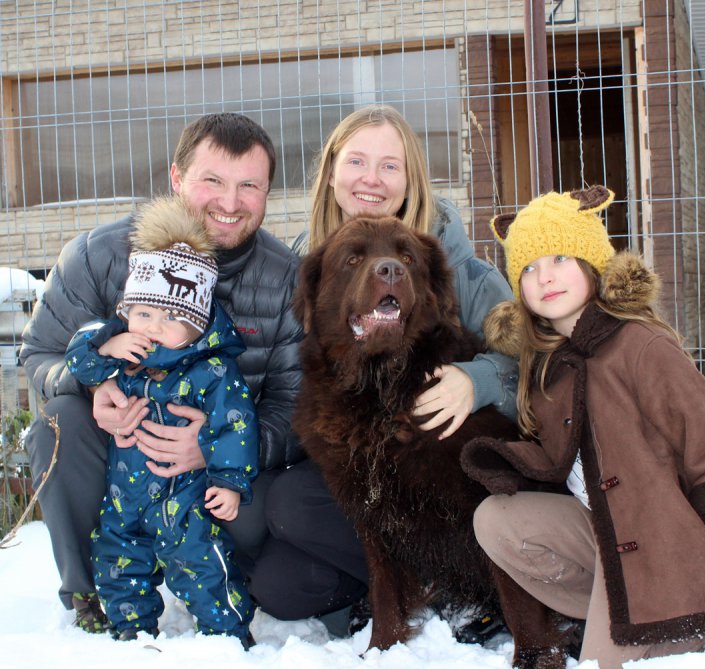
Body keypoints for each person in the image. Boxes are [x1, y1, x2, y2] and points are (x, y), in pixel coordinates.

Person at [20, 112, 327, 634]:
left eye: (248, 186)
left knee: (265, 509)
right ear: (176, 177)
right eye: (213, 180)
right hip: (122, 456)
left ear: (267, 192)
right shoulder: (99, 255)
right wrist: (93, 384)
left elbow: (296, 407)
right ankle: (93, 592)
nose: (230, 202)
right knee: (58, 423)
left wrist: (219, 446)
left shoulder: (287, 283)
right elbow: (40, 352)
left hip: (222, 470)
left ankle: (223, 583)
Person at [460, 186, 705, 667]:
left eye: (560, 257)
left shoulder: (640, 344)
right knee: (495, 520)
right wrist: (511, 460)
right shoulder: (549, 366)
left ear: (592, 263)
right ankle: (623, 614)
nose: (544, 276)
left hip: (668, 541)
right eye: (528, 267)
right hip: (610, 537)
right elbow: (575, 458)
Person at [284, 104, 518, 638]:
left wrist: (477, 380)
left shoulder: (467, 273)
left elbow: (530, 365)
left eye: (390, 165)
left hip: (446, 471)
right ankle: (401, 588)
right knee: (287, 530)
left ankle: (457, 586)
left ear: (412, 179)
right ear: (331, 172)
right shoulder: (304, 262)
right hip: (360, 461)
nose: (371, 178)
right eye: (357, 161)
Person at [64, 196, 258, 643]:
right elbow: (76, 356)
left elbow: (236, 425)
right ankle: (131, 630)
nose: (153, 326)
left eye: (171, 317)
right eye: (144, 314)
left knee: (201, 564)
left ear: (196, 326)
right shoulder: (124, 354)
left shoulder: (211, 370)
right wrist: (104, 348)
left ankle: (226, 634)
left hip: (184, 501)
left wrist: (230, 481)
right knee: (117, 558)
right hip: (124, 496)